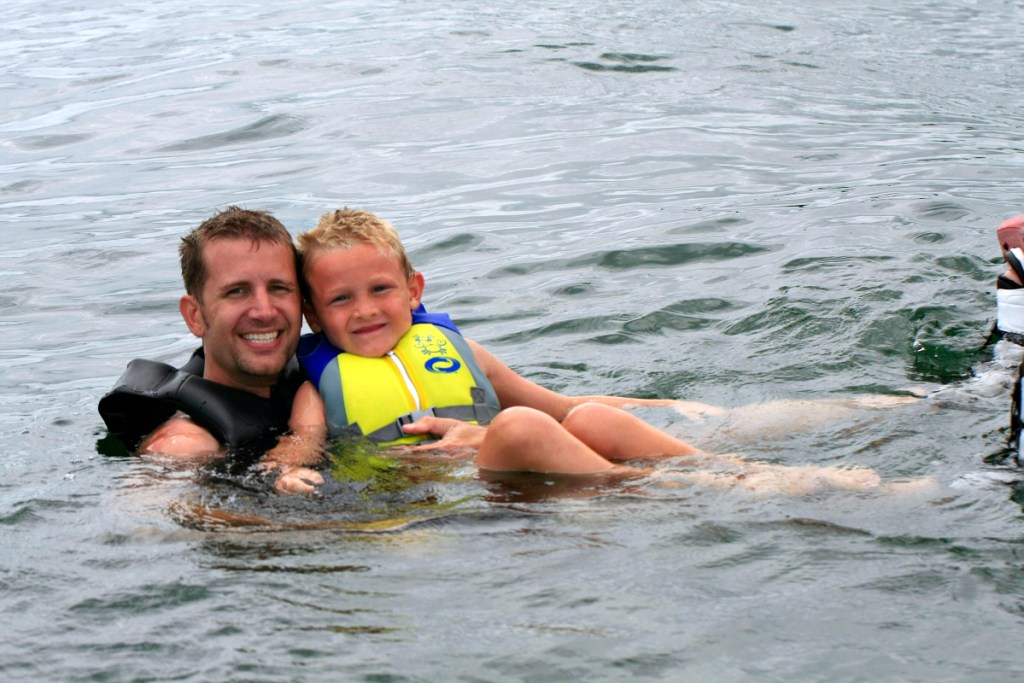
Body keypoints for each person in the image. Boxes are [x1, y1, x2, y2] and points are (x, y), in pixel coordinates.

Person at [292, 208, 917, 492]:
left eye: (380, 289)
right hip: (472, 499)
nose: (367, 310)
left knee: (587, 417)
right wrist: (287, 473)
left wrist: (664, 402)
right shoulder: (317, 387)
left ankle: (753, 466)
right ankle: (732, 484)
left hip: (538, 458)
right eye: (342, 300)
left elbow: (562, 405)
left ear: (414, 289)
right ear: (314, 315)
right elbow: (296, 448)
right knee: (514, 428)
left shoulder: (457, 349)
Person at [98, 207, 324, 494]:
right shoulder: (183, 447)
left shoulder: (315, 378)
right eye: (237, 291)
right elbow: (144, 524)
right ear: (195, 316)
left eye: (279, 288)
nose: (265, 311)